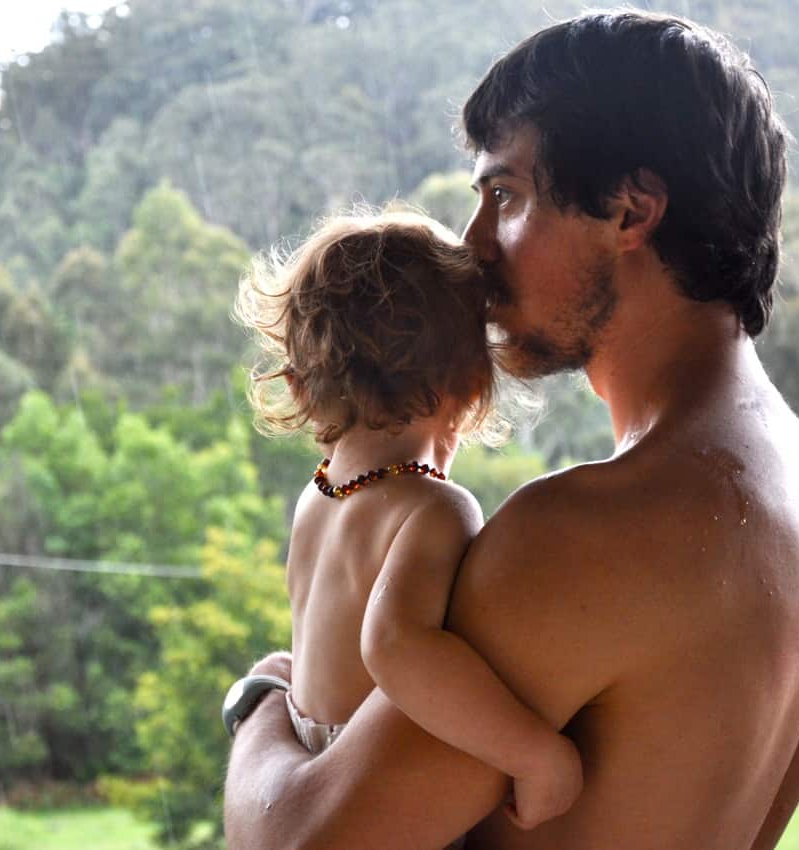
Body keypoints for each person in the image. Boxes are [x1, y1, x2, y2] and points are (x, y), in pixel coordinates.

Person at [222, 10, 799, 850]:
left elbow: (293, 844)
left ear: (631, 211)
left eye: (506, 196)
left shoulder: (589, 535)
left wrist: (260, 705)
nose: (475, 245)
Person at [231, 208, 583, 833]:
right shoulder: (434, 508)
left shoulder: (319, 495)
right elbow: (395, 646)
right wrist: (538, 756)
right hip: (366, 778)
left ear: (301, 386)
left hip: (303, 747)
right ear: (474, 386)